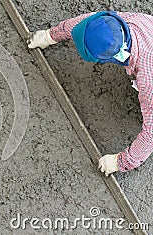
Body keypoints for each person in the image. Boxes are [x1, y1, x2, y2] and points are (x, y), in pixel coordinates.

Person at [28, 11, 153, 176]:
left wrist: (121, 162)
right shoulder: (132, 22)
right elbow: (87, 22)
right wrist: (50, 36)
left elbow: (151, 133)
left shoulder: (148, 79)